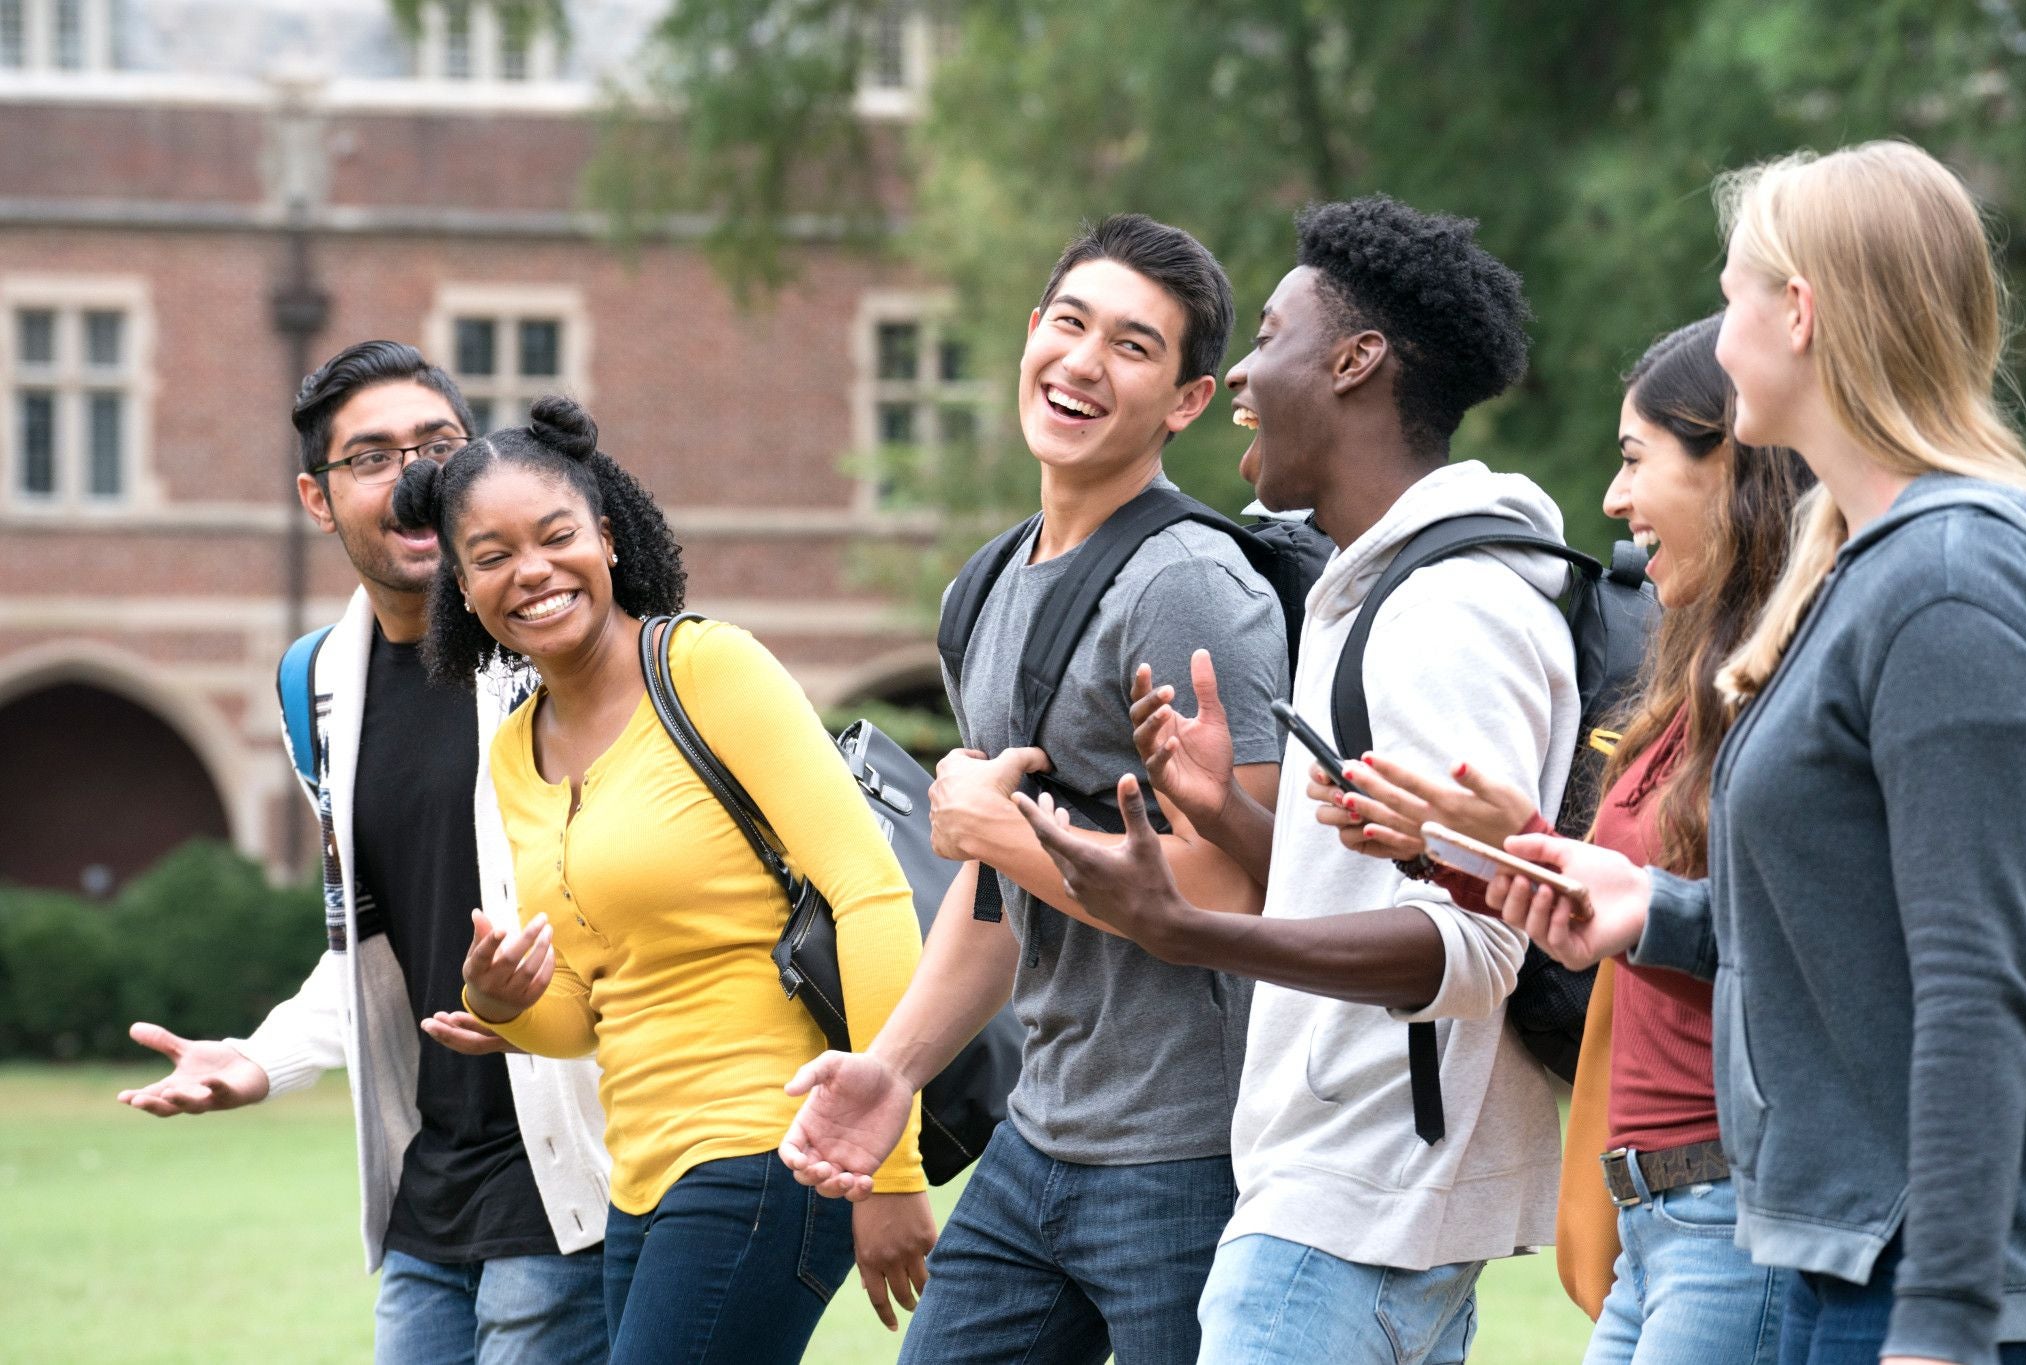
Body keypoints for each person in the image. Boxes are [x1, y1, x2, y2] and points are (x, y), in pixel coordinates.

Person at [1490, 142, 2026, 1365]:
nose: (1719, 321)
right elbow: (1857, 940)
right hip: (1827, 1259)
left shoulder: (1949, 579)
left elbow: (1975, 983)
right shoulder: (1864, 567)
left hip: (1913, 1290)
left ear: (1795, 313)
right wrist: (1650, 911)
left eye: (1733, 287)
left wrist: (1943, 1326)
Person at [1014, 196, 1578, 1364]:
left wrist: (1185, 930)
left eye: (1266, 336)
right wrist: (1225, 811)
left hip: (1349, 1207)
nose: (1236, 378)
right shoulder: (1368, 593)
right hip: (1337, 1198)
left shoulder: (1447, 609)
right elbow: (1393, 898)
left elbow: (1477, 951)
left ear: (1354, 361)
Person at [777, 214, 1291, 1364]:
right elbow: (995, 904)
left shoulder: (1190, 587)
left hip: (1187, 1157)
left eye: (1131, 346)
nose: (1081, 363)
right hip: (1038, 1139)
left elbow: (1237, 890)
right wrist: (892, 1072)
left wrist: (1001, 835)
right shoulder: (986, 586)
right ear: (1028, 335)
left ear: (1186, 400)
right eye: (1068, 324)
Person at [1308, 315, 1813, 1363]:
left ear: (1733, 464)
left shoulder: (1801, 685)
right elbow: (1619, 912)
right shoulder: (1695, 686)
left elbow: (1805, 938)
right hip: (1651, 1221)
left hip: (1734, 1213)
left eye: (1634, 460)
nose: (1614, 502)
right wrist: (1464, 849)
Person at [389, 395, 934, 1365]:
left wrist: (888, 1164)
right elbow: (583, 1013)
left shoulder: (706, 668)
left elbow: (870, 897)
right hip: (637, 1181)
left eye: (555, 536)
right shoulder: (516, 752)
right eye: (492, 555)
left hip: (778, 1144)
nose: (532, 572)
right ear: (462, 588)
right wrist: (500, 1000)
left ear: (605, 538)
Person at [114, 340, 611, 1365]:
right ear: (315, 497)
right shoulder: (319, 688)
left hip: (572, 1178)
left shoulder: (557, 650)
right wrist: (260, 1061)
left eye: (438, 445)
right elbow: (374, 951)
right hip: (427, 1192)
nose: (416, 476)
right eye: (374, 457)